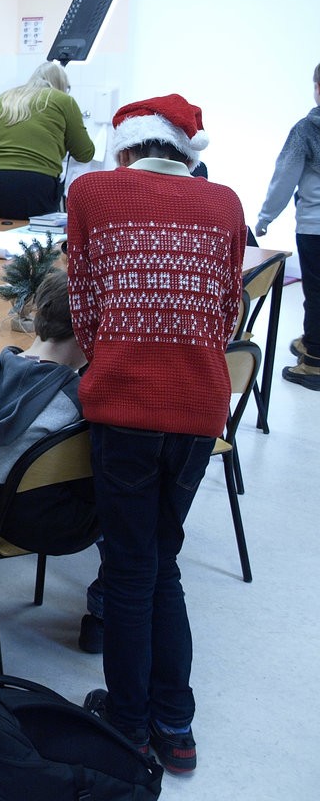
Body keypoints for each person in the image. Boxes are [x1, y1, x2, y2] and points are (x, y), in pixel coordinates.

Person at [66, 94, 244, 775]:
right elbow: (227, 313)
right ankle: (176, 727)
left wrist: (122, 351)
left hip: (125, 407)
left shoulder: (92, 193)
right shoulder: (224, 203)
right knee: (162, 563)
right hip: (198, 411)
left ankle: (129, 727)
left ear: (128, 145)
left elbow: (85, 309)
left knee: (129, 570)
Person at [0, 270, 104, 653]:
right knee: (136, 505)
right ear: (89, 332)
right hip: (47, 527)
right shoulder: (76, 403)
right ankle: (104, 615)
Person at [255, 61, 320, 390]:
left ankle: (314, 362)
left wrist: (265, 217)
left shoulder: (307, 130)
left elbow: (285, 178)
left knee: (317, 293)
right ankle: (311, 340)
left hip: (315, 228)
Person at [0, 62, 95, 219]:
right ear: (62, 85)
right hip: (33, 181)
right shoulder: (63, 100)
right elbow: (85, 153)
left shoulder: (3, 99)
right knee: (36, 234)